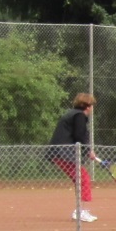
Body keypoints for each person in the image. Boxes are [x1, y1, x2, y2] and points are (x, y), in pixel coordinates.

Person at [46, 92, 97, 222]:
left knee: (80, 179)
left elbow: (77, 136)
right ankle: (80, 212)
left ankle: (81, 210)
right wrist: (88, 150)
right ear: (87, 106)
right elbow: (79, 136)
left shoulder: (72, 114)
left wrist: (86, 150)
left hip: (59, 153)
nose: (92, 108)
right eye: (91, 105)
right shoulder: (79, 116)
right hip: (63, 154)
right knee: (84, 178)